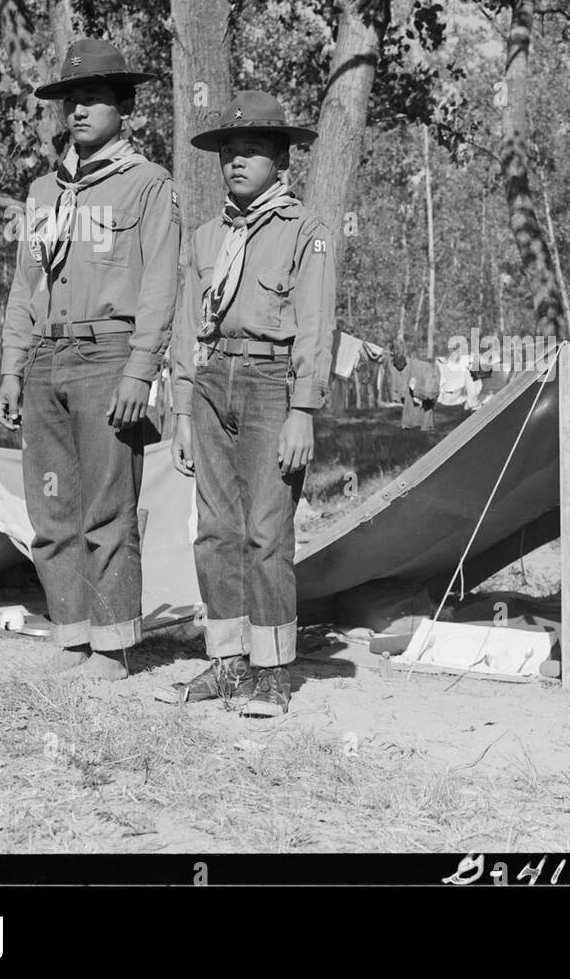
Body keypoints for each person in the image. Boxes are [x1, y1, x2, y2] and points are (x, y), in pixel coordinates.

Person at [0, 38, 181, 679]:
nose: (78, 110)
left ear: (123, 107)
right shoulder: (42, 192)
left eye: (94, 98)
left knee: (107, 509)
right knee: (51, 510)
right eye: (71, 99)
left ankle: (114, 645)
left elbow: (162, 283)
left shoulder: (148, 186)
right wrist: (11, 368)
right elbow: (25, 285)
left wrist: (141, 368)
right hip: (45, 358)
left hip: (107, 357)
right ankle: (71, 636)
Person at [161, 91, 334, 717]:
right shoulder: (207, 237)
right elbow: (186, 323)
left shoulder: (303, 231)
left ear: (280, 160)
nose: (236, 161)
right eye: (229, 151)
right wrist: (181, 410)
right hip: (210, 382)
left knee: (266, 529)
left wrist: (303, 410)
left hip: (270, 383)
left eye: (252, 150)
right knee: (215, 530)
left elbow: (314, 325)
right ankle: (229, 661)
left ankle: (273, 669)